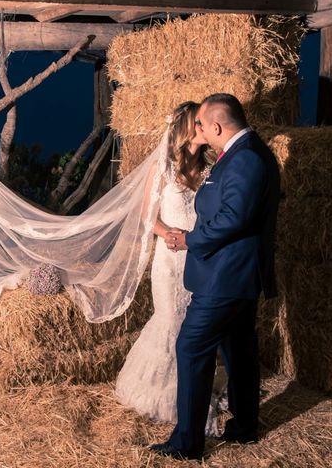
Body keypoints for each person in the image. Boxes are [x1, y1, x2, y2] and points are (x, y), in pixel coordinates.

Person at [149, 93, 281, 460]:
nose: (201, 131)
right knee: (238, 350)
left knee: (191, 348)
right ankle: (244, 427)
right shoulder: (244, 155)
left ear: (219, 127)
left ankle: (187, 444)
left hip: (224, 276)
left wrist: (189, 240)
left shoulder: (247, 159)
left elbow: (233, 219)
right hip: (235, 275)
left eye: (204, 125)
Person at [115, 101, 227, 437]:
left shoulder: (208, 170)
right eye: (199, 122)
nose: (205, 127)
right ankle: (164, 397)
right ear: (187, 127)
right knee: (171, 322)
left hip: (199, 259)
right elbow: (146, 214)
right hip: (169, 260)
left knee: (194, 327)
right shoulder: (163, 168)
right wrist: (169, 236)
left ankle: (192, 391)